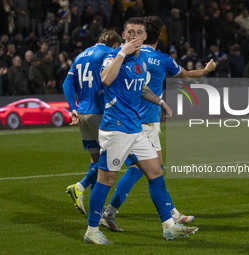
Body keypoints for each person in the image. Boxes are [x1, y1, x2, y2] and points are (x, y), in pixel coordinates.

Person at [83, 17, 198, 245]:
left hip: (135, 128)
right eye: (130, 32)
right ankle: (91, 230)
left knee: (155, 172)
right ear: (124, 35)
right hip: (116, 129)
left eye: (139, 32)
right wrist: (121, 53)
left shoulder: (141, 60)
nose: (134, 35)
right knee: (106, 179)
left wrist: (160, 102)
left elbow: (140, 87)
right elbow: (106, 79)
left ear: (145, 36)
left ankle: (168, 227)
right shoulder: (112, 56)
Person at [100, 16, 216, 232]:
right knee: (145, 170)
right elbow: (187, 75)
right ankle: (163, 217)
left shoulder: (132, 53)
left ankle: (169, 214)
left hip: (127, 117)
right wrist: (207, 70)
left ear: (143, 34)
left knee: (142, 169)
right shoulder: (163, 59)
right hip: (145, 122)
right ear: (160, 35)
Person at [63, 30, 122, 215]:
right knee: (113, 157)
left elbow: (67, 83)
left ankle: (94, 207)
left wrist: (72, 106)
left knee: (96, 159)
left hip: (82, 113)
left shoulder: (81, 55)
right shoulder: (108, 54)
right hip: (100, 112)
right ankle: (79, 187)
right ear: (114, 44)